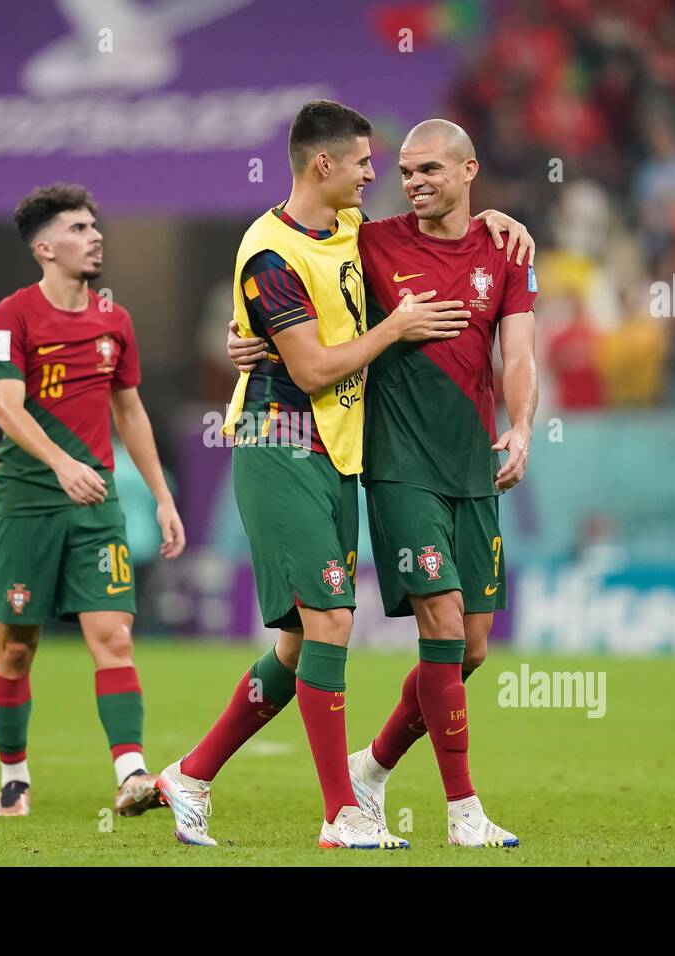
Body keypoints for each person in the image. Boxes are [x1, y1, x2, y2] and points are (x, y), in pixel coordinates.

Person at [157, 101, 473, 850]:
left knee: (303, 640)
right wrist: (392, 329)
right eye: (365, 162)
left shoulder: (352, 234)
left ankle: (191, 775)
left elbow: (442, 237)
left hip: (338, 451)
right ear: (322, 165)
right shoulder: (269, 252)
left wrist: (501, 227)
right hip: (280, 443)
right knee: (331, 619)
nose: (376, 173)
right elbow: (312, 366)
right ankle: (343, 813)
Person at [227, 119, 537, 848]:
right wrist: (246, 336)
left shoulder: (507, 247)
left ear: (469, 170)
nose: (411, 181)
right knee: (439, 620)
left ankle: (372, 765)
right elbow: (285, 273)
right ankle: (462, 813)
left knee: (471, 650)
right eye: (403, 170)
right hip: (396, 466)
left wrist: (521, 427)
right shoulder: (368, 239)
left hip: (472, 467)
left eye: (430, 168)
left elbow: (518, 355)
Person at [0, 184, 185, 818]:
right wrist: (62, 463)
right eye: (78, 228)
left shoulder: (114, 320)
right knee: (16, 645)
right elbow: (6, 408)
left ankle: (130, 772)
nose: (95, 235)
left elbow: (129, 411)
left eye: (95, 225)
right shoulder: (11, 315)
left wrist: (161, 495)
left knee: (114, 638)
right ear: (44, 247)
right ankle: (13, 775)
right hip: (26, 502)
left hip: (95, 507)